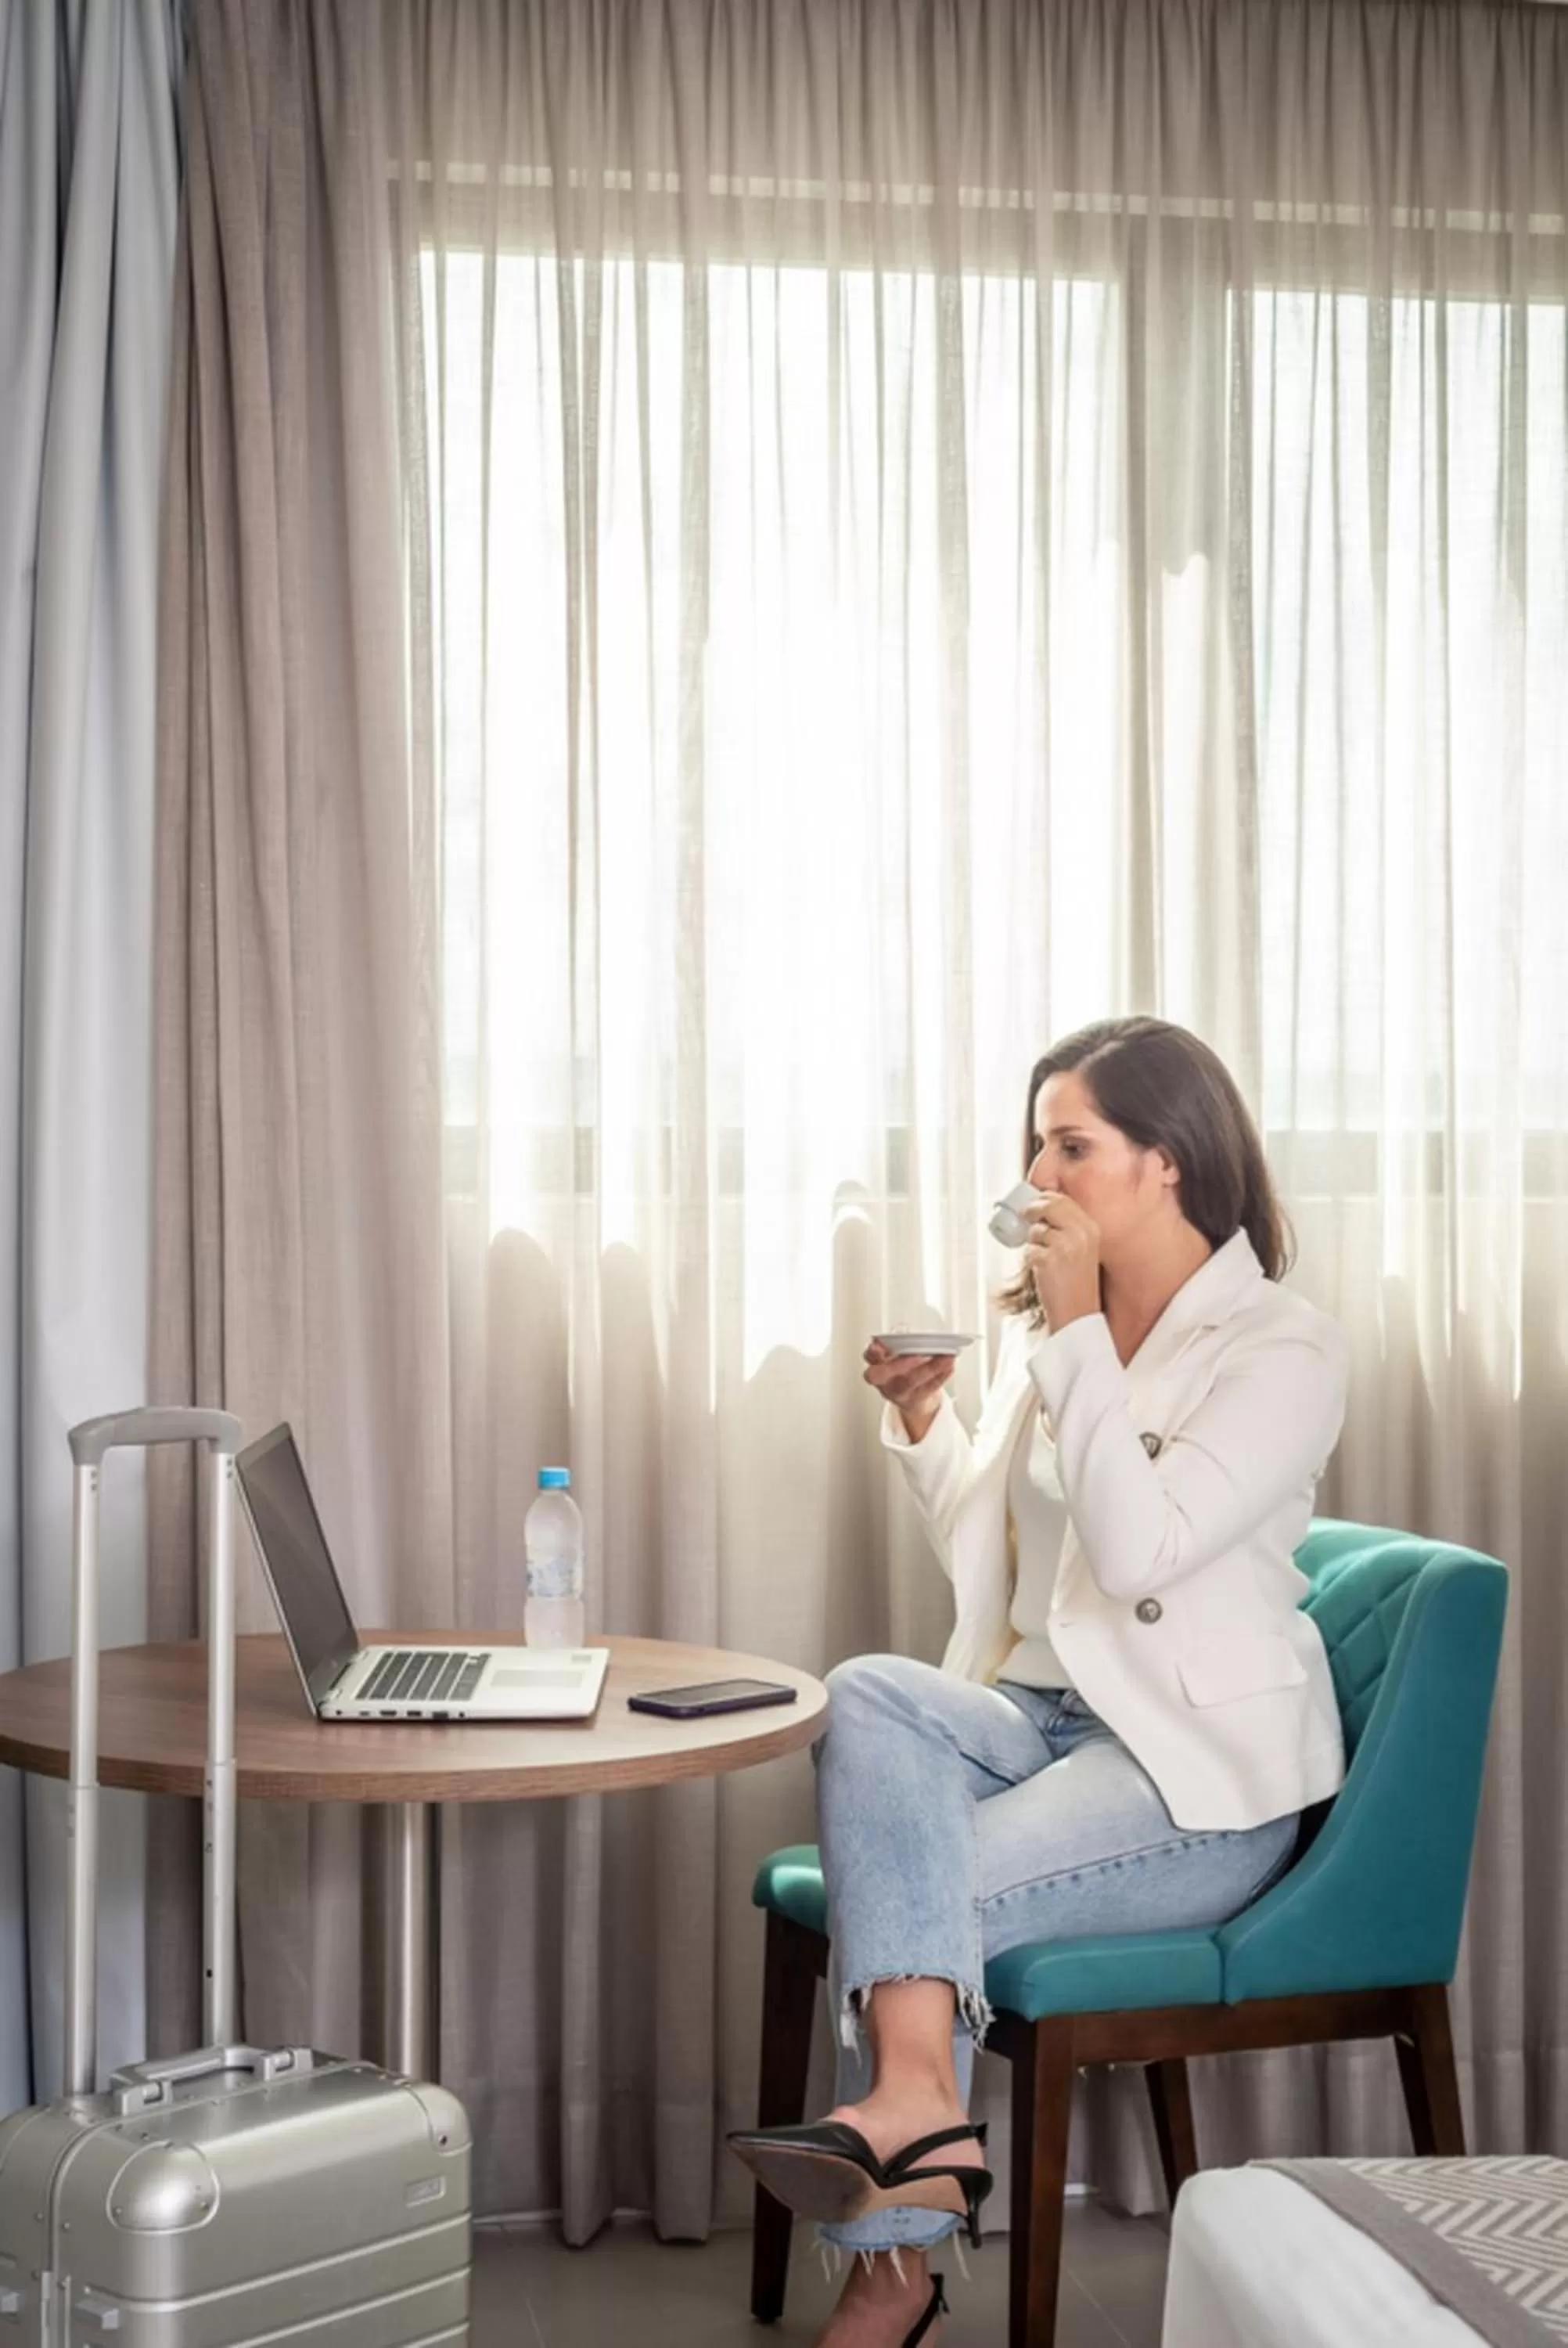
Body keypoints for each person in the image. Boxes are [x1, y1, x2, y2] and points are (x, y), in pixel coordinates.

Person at [728, 1017, 1350, 2348]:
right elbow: (1017, 1558)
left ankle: (890, 2271)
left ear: (1169, 1161)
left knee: (904, 1890)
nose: (1039, 1180)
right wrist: (923, 1421)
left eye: (1073, 1147)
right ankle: (924, 2120)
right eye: (1035, 1147)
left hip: (1188, 1776)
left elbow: (1142, 1550)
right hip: (1042, 1721)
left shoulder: (1280, 1350)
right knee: (872, 1691)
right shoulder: (1059, 1338)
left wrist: (1074, 1340)